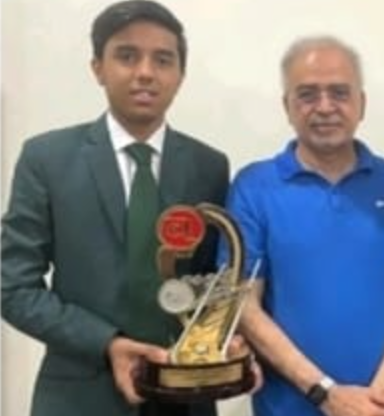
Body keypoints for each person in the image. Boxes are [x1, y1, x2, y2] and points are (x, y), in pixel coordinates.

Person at [1, 1, 230, 416]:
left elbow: (212, 282)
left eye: (163, 60)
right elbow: (13, 287)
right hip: (78, 397)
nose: (145, 72)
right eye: (127, 56)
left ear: (180, 75)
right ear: (98, 68)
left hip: (184, 397)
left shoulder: (209, 166)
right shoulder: (46, 160)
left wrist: (227, 337)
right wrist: (105, 342)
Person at [224, 36, 384, 416]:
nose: (324, 107)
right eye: (307, 94)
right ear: (287, 106)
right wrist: (326, 393)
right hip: (288, 407)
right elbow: (244, 304)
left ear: (361, 103)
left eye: (339, 92)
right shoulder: (252, 187)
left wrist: (378, 395)